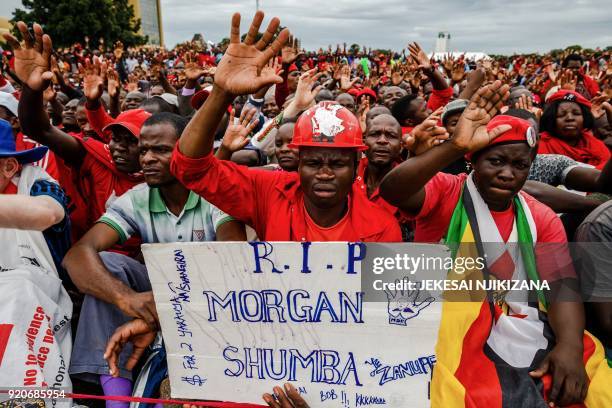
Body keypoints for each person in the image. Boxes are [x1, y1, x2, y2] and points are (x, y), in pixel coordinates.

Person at [379, 81, 610, 406]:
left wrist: (570, 348)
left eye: (519, 166)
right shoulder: (447, 191)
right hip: (443, 323)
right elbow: (393, 191)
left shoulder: (539, 216)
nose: (507, 174)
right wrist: (454, 147)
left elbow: (561, 289)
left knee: (597, 388)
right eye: (496, 161)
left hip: (520, 325)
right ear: (473, 160)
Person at [170, 12, 400, 242]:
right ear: (298, 162)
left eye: (338, 164)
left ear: (356, 166)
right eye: (313, 162)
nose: (325, 173)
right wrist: (221, 91)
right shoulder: (269, 194)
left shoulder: (381, 228)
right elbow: (191, 169)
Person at [63, 112, 245, 403]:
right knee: (106, 265)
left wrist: (166, 306)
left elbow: (233, 264)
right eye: (144, 149)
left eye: (160, 150)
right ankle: (115, 399)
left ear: (190, 151)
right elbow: (77, 255)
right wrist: (127, 299)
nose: (146, 158)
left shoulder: (218, 190)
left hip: (214, 296)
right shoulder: (139, 197)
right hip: (159, 294)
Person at [5, 23, 152, 249]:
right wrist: (31, 88)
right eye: (114, 138)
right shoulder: (97, 158)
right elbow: (39, 130)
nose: (118, 148)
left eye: (131, 141)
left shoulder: (170, 177)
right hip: (94, 260)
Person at [0, 118, 73, 390]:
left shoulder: (37, 182)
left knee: (17, 289)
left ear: (9, 166)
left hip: (39, 296)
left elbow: (48, 213)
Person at [538, 89, 610, 169]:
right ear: (551, 119)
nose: (570, 118)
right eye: (562, 114)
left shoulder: (597, 145)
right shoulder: (541, 145)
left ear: (584, 118)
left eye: (576, 114)